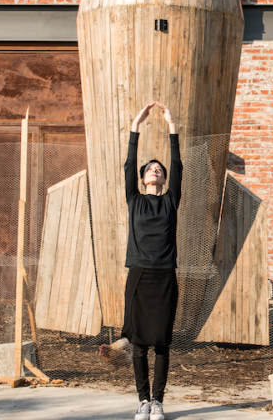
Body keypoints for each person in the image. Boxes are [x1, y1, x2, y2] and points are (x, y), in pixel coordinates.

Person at [122, 101, 183, 420]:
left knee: (161, 342)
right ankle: (142, 401)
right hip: (139, 276)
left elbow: (179, 165)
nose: (154, 170)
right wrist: (136, 126)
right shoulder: (135, 201)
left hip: (164, 277)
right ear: (144, 178)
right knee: (139, 342)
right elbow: (129, 165)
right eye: (150, 169)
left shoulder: (171, 202)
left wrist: (172, 127)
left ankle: (158, 402)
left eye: (159, 169)